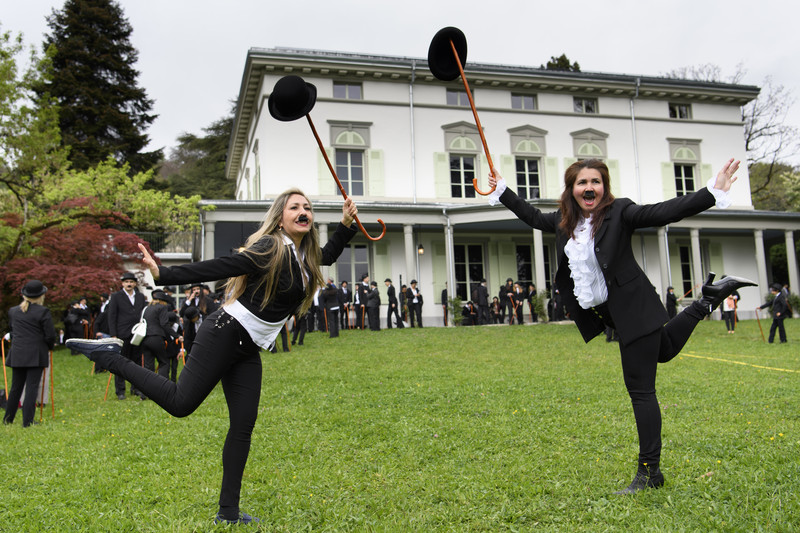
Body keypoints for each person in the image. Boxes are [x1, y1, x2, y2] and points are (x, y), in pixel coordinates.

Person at [67, 189, 360, 525]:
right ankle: (111, 357)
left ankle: (228, 512)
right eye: (294, 207)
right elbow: (223, 265)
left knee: (243, 426)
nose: (303, 211)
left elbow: (327, 256)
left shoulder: (303, 256)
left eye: (307, 207)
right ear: (280, 217)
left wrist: (346, 225)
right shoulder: (271, 248)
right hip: (224, 332)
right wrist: (164, 274)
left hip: (247, 348)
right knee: (180, 403)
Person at [487, 157, 754, 494]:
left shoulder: (621, 213)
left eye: (595, 182)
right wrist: (503, 189)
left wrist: (712, 191)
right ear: (571, 189)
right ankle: (707, 299)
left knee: (641, 391)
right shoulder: (564, 221)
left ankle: (649, 473)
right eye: (582, 182)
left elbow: (664, 211)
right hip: (617, 314)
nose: (589, 188)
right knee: (665, 350)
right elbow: (534, 217)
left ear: (604, 187)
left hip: (634, 309)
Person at [3, 280, 56, 428]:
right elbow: (50, 335)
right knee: (32, 387)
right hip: (35, 354)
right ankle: (27, 421)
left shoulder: (13, 311)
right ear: (41, 296)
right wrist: (50, 346)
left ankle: (8, 418)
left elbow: (14, 331)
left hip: (18, 353)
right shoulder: (43, 312)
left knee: (16, 387)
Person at [107, 271, 147, 400]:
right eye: (126, 282)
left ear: (135, 283)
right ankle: (120, 391)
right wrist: (113, 334)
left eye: (131, 282)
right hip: (121, 334)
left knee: (136, 363)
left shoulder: (141, 297)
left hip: (137, 334)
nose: (129, 284)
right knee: (120, 362)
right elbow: (111, 316)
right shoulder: (116, 296)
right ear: (122, 283)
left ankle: (135, 388)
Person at [140, 290, 178, 386]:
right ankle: (162, 387)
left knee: (148, 366)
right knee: (164, 362)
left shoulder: (146, 308)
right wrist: (177, 335)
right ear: (163, 301)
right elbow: (164, 324)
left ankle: (146, 391)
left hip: (144, 338)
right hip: (156, 337)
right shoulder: (162, 307)